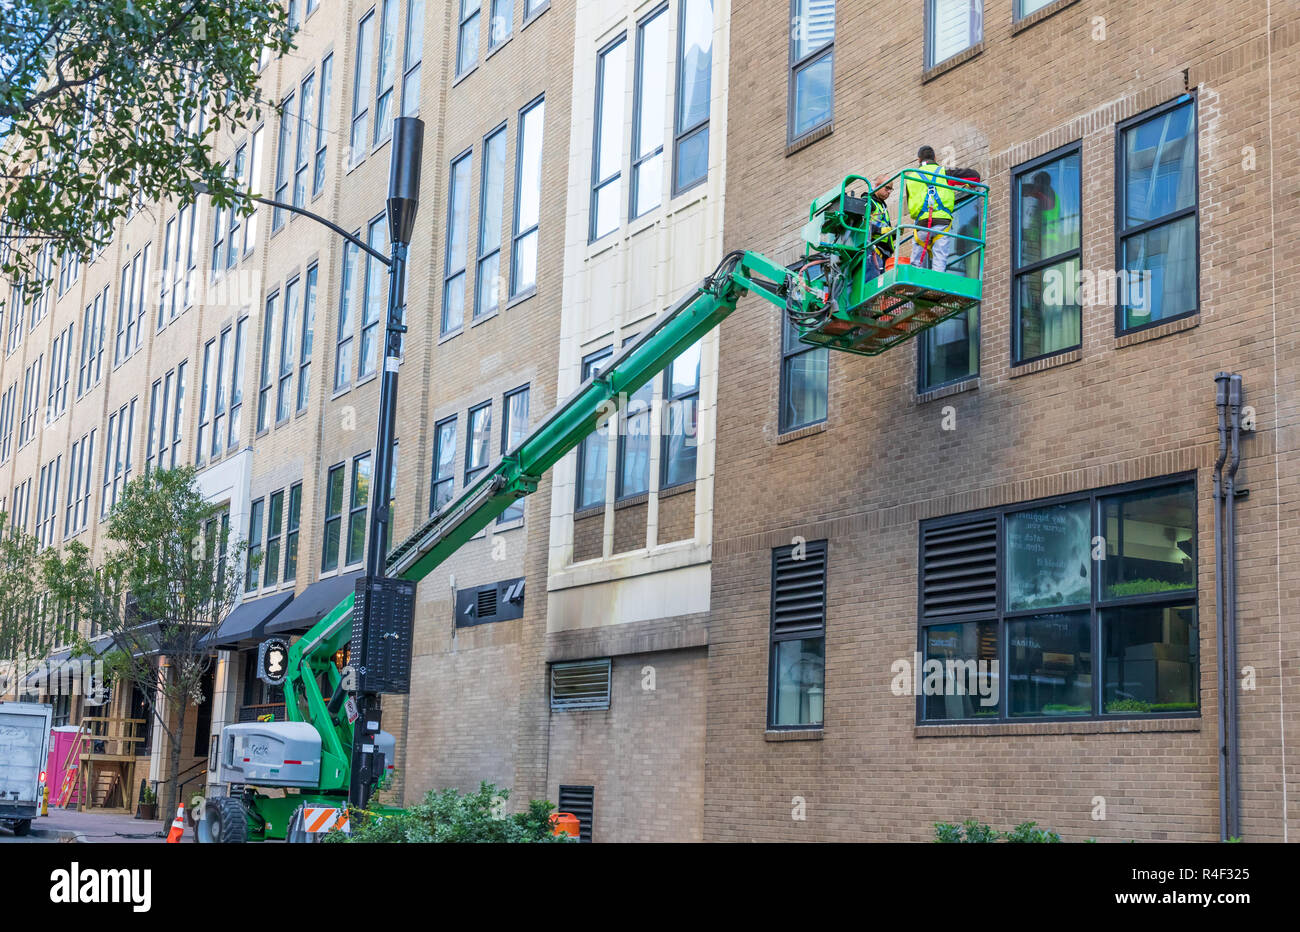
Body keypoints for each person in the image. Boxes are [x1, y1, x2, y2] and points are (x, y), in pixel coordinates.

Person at [905, 145, 956, 272]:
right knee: (940, 255)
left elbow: (909, 202)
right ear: (935, 157)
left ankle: (914, 279)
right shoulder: (944, 172)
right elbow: (974, 176)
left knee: (917, 258)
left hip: (922, 223)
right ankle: (938, 282)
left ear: (918, 160)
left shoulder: (911, 178)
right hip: (942, 222)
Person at [868, 175, 895, 277]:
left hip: (885, 255)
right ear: (876, 185)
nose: (888, 192)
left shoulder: (882, 206)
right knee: (873, 286)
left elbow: (886, 231)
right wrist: (883, 230)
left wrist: (894, 232)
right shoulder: (869, 202)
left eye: (890, 189)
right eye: (887, 188)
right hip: (874, 253)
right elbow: (864, 226)